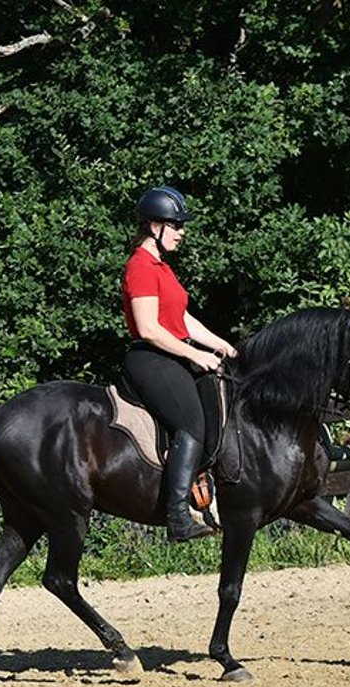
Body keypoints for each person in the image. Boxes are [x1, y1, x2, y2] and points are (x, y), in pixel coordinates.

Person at [121, 185, 238, 541]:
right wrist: (195, 354)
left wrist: (222, 345)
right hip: (150, 357)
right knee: (191, 423)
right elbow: (148, 328)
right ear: (154, 226)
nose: (181, 232)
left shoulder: (162, 268)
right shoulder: (141, 267)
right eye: (175, 225)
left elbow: (181, 319)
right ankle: (177, 517)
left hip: (171, 352)